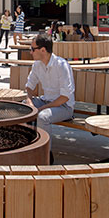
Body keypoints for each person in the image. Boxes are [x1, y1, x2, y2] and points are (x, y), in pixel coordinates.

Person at [25, 34, 75, 162]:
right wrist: (29, 101)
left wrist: (41, 108)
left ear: (43, 50)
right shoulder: (37, 64)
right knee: (21, 108)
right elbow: (29, 87)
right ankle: (27, 146)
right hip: (45, 100)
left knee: (43, 117)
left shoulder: (61, 65)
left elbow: (65, 97)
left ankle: (45, 155)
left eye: (32, 49)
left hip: (64, 106)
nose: (30, 52)